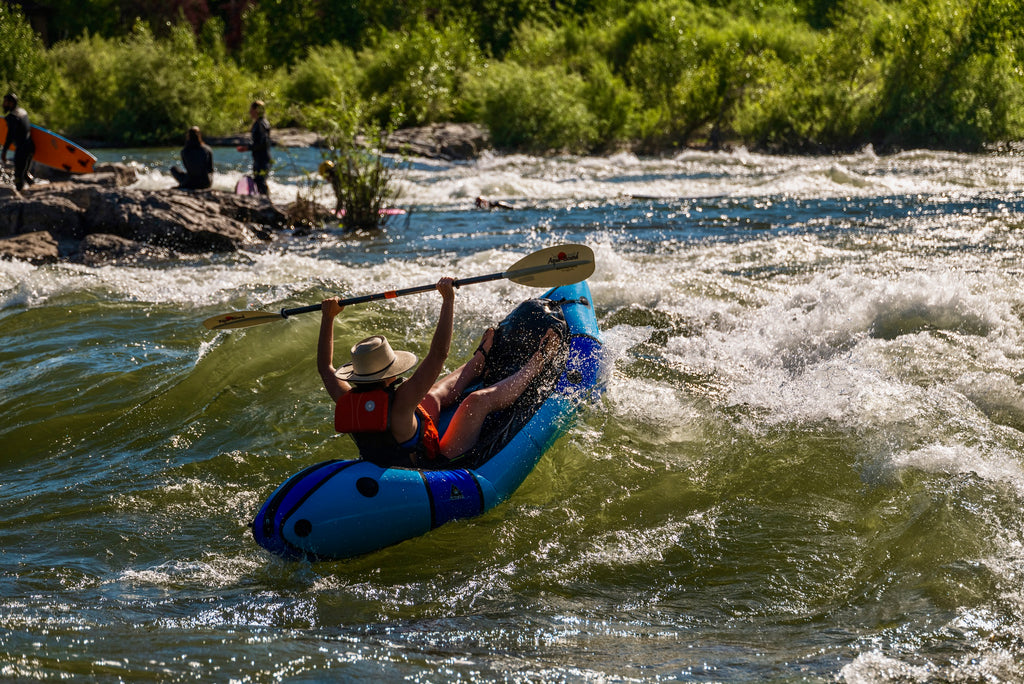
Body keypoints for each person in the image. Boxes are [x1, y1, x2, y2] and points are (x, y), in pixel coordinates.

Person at [318, 278, 561, 468]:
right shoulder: (402, 401)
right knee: (476, 402)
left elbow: (325, 368)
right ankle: (536, 364)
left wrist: (327, 318)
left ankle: (478, 363)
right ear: (390, 374)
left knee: (431, 397)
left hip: (392, 465)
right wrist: (448, 300)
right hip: (433, 468)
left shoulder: (346, 399)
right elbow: (438, 354)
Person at [236, 100, 271, 196]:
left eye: (251, 110)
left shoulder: (261, 124)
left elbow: (262, 143)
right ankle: (264, 200)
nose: (250, 112)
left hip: (262, 158)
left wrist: (247, 148)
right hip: (260, 158)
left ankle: (266, 202)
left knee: (260, 182)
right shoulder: (261, 123)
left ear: (256, 110)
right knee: (259, 181)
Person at [2, 93, 35, 192]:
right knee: (24, 173)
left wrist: (4, 152)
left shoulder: (12, 117)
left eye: (5, 102)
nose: (3, 104)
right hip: (30, 147)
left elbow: (10, 136)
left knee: (18, 176)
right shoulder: (22, 111)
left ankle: (20, 201)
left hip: (22, 150)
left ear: (11, 103)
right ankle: (34, 189)